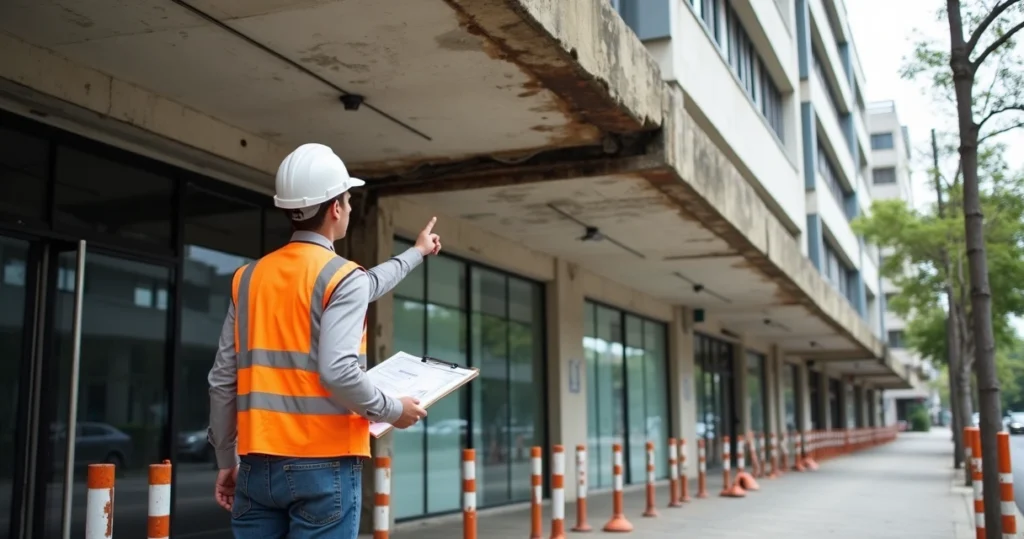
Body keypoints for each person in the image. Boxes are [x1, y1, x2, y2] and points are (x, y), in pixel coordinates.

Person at [207, 143, 439, 538]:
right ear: (335, 208)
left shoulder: (247, 279)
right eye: (348, 200)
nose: (349, 207)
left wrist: (226, 457)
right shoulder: (340, 277)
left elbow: (221, 379)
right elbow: (338, 371)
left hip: (257, 465)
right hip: (323, 465)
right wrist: (391, 410)